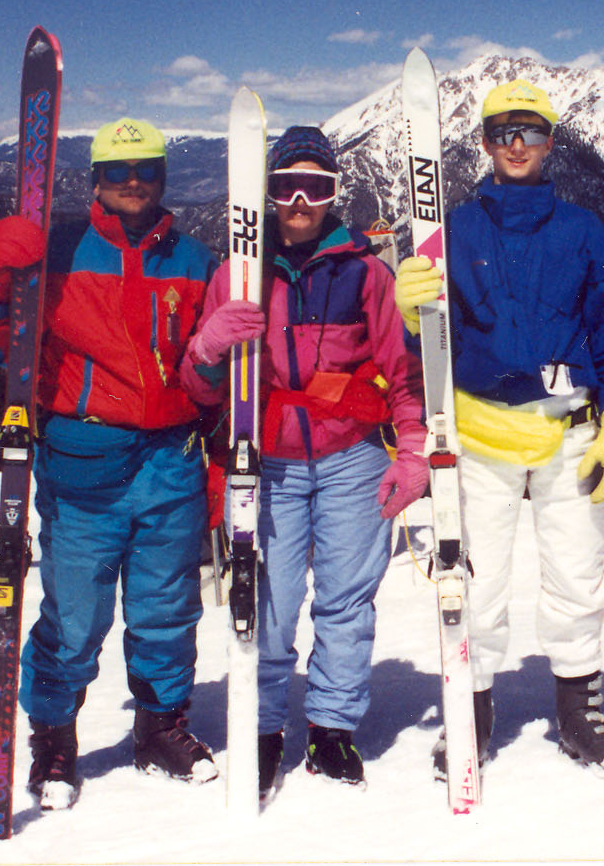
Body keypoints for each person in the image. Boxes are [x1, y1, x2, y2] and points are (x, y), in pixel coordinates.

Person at [0, 118, 249, 810]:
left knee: (167, 607)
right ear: (94, 179)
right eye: (118, 171)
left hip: (171, 459)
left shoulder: (194, 258)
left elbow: (204, 370)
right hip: (85, 458)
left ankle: (161, 726)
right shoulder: (58, 249)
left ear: (162, 176)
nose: (132, 183)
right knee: (76, 611)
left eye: (146, 170)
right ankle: (55, 738)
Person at [394, 79, 604, 772]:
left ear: (550, 142)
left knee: (577, 573)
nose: (516, 144)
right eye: (504, 132)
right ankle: (470, 704)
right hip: (481, 435)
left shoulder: (582, 232)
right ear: (483, 142)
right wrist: (412, 310)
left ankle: (579, 707)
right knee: (478, 578)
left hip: (569, 432)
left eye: (530, 132)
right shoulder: (456, 230)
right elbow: (428, 346)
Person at [182, 126, 428, 796]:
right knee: (269, 598)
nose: (299, 201)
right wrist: (205, 349)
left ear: (332, 195)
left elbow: (402, 372)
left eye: (315, 187)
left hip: (351, 457)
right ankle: (262, 726)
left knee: (347, 599)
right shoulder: (237, 273)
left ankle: (332, 728)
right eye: (285, 186)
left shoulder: (365, 273)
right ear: (265, 194)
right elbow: (200, 389)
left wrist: (412, 449)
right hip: (269, 462)